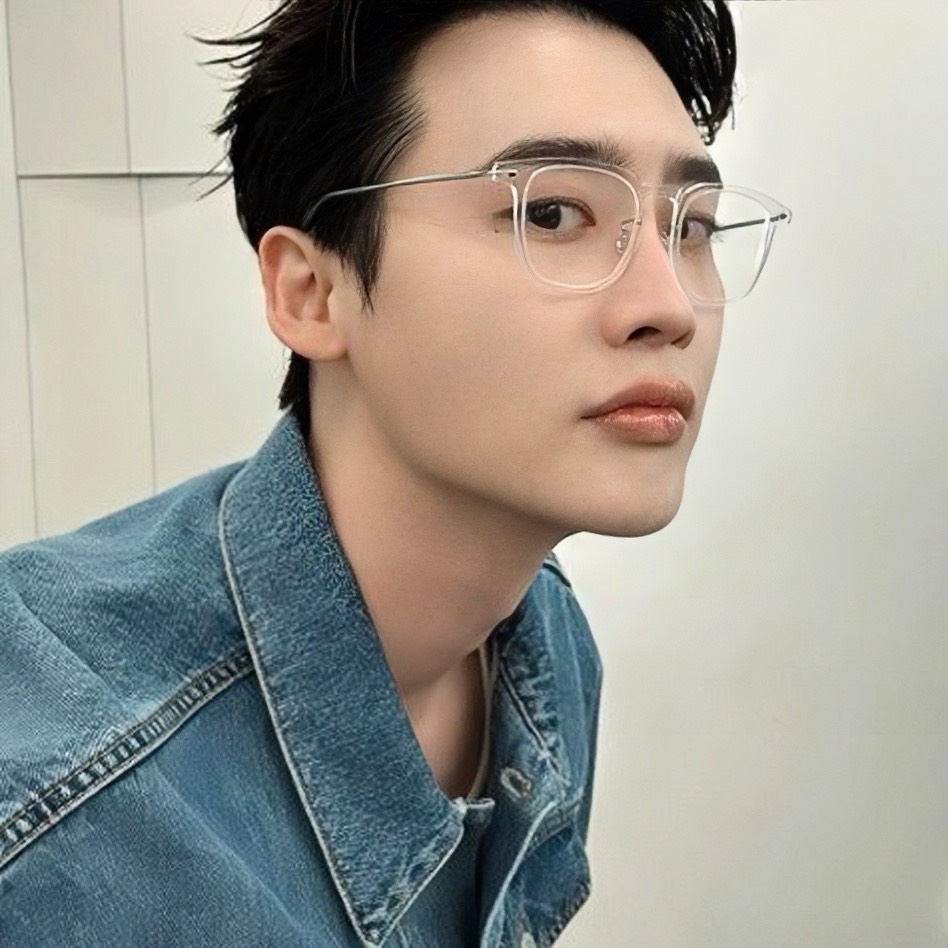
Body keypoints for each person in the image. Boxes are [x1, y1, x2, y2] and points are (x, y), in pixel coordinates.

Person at [0, 1, 790, 945]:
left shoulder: (542, 639)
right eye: (552, 212)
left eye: (691, 227)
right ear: (311, 292)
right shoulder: (52, 808)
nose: (671, 305)